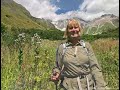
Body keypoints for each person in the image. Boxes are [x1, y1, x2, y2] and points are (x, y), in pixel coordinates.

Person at [51, 19, 106, 90]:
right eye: (71, 28)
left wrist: (100, 86)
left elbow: (95, 67)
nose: (74, 30)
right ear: (67, 31)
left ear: (79, 30)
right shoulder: (62, 47)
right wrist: (56, 74)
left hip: (87, 86)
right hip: (68, 86)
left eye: (76, 27)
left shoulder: (86, 46)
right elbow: (57, 67)